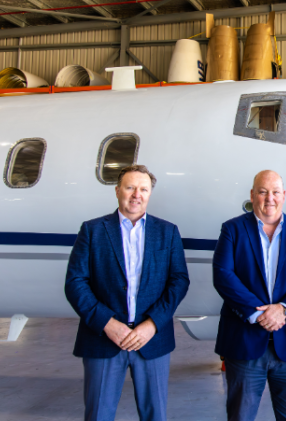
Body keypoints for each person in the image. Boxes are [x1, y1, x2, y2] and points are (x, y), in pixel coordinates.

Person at [65, 164, 190, 421]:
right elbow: (75, 282)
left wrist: (152, 324)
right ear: (117, 191)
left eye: (143, 189)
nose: (137, 194)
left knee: (155, 415)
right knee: (98, 414)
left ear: (149, 193)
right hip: (103, 338)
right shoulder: (92, 230)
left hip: (151, 340)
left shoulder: (167, 232)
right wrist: (108, 324)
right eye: (130, 187)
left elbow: (179, 281)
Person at [213, 170, 286, 421]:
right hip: (243, 342)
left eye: (275, 192)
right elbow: (223, 275)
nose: (269, 198)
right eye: (262, 192)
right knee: (240, 415)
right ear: (252, 195)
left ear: (283, 196)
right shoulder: (232, 229)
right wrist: (257, 312)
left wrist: (283, 309)